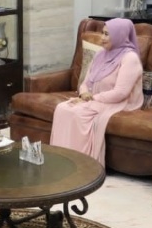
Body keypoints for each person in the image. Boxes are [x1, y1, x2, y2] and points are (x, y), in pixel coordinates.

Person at [50, 18, 143, 165]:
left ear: (119, 36)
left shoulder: (130, 58)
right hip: (94, 99)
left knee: (79, 113)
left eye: (107, 34)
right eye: (102, 33)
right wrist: (83, 93)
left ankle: (82, 163)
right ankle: (62, 160)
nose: (102, 38)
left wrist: (92, 98)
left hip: (118, 102)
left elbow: (121, 93)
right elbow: (86, 82)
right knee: (62, 108)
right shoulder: (100, 54)